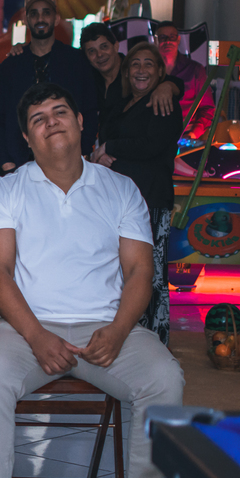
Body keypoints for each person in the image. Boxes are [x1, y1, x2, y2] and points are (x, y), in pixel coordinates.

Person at [0, 82, 184, 478]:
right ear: (26, 137)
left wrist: (120, 329)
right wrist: (36, 334)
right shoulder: (6, 189)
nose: (51, 122)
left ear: (82, 122)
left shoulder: (121, 189)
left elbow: (141, 270)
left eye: (60, 111)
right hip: (24, 328)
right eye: (38, 119)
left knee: (165, 378)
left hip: (106, 325)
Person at [92, 43, 183, 345]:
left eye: (148, 64)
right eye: (135, 64)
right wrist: (101, 155)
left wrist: (111, 150)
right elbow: (106, 140)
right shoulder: (122, 103)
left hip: (150, 202)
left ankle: (153, 344)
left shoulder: (161, 101)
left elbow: (152, 145)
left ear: (159, 72)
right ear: (127, 71)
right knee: (120, 275)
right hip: (116, 203)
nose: (141, 70)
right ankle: (123, 341)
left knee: (149, 276)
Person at [0, 0, 100, 170]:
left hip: (67, 160)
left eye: (46, 13)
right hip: (20, 162)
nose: (40, 18)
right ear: (26, 20)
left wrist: (82, 150)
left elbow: (90, 110)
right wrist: (5, 159)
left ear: (56, 18)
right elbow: (2, 117)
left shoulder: (77, 61)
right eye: (34, 14)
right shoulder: (11, 66)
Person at [154, 21, 214, 141]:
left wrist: (192, 135)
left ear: (178, 40)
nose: (168, 41)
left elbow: (207, 109)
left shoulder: (195, 70)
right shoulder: (148, 70)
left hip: (186, 134)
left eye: (172, 37)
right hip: (154, 134)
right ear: (155, 41)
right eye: (163, 37)